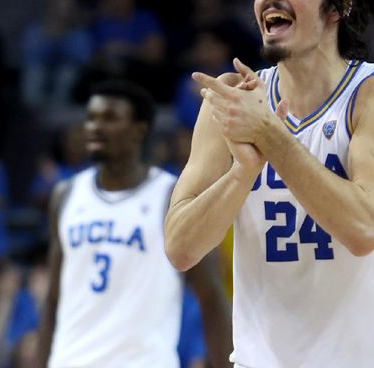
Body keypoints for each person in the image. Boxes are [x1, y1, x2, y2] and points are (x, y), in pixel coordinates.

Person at [164, 0, 374, 367]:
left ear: (336, 8)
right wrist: (242, 171)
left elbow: (364, 229)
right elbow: (180, 247)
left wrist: (269, 136)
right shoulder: (234, 101)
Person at [36, 80, 231, 368]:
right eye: (91, 117)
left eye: (110, 118)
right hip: (70, 360)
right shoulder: (65, 196)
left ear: (139, 130)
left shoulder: (170, 197)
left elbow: (211, 298)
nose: (95, 126)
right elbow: (53, 299)